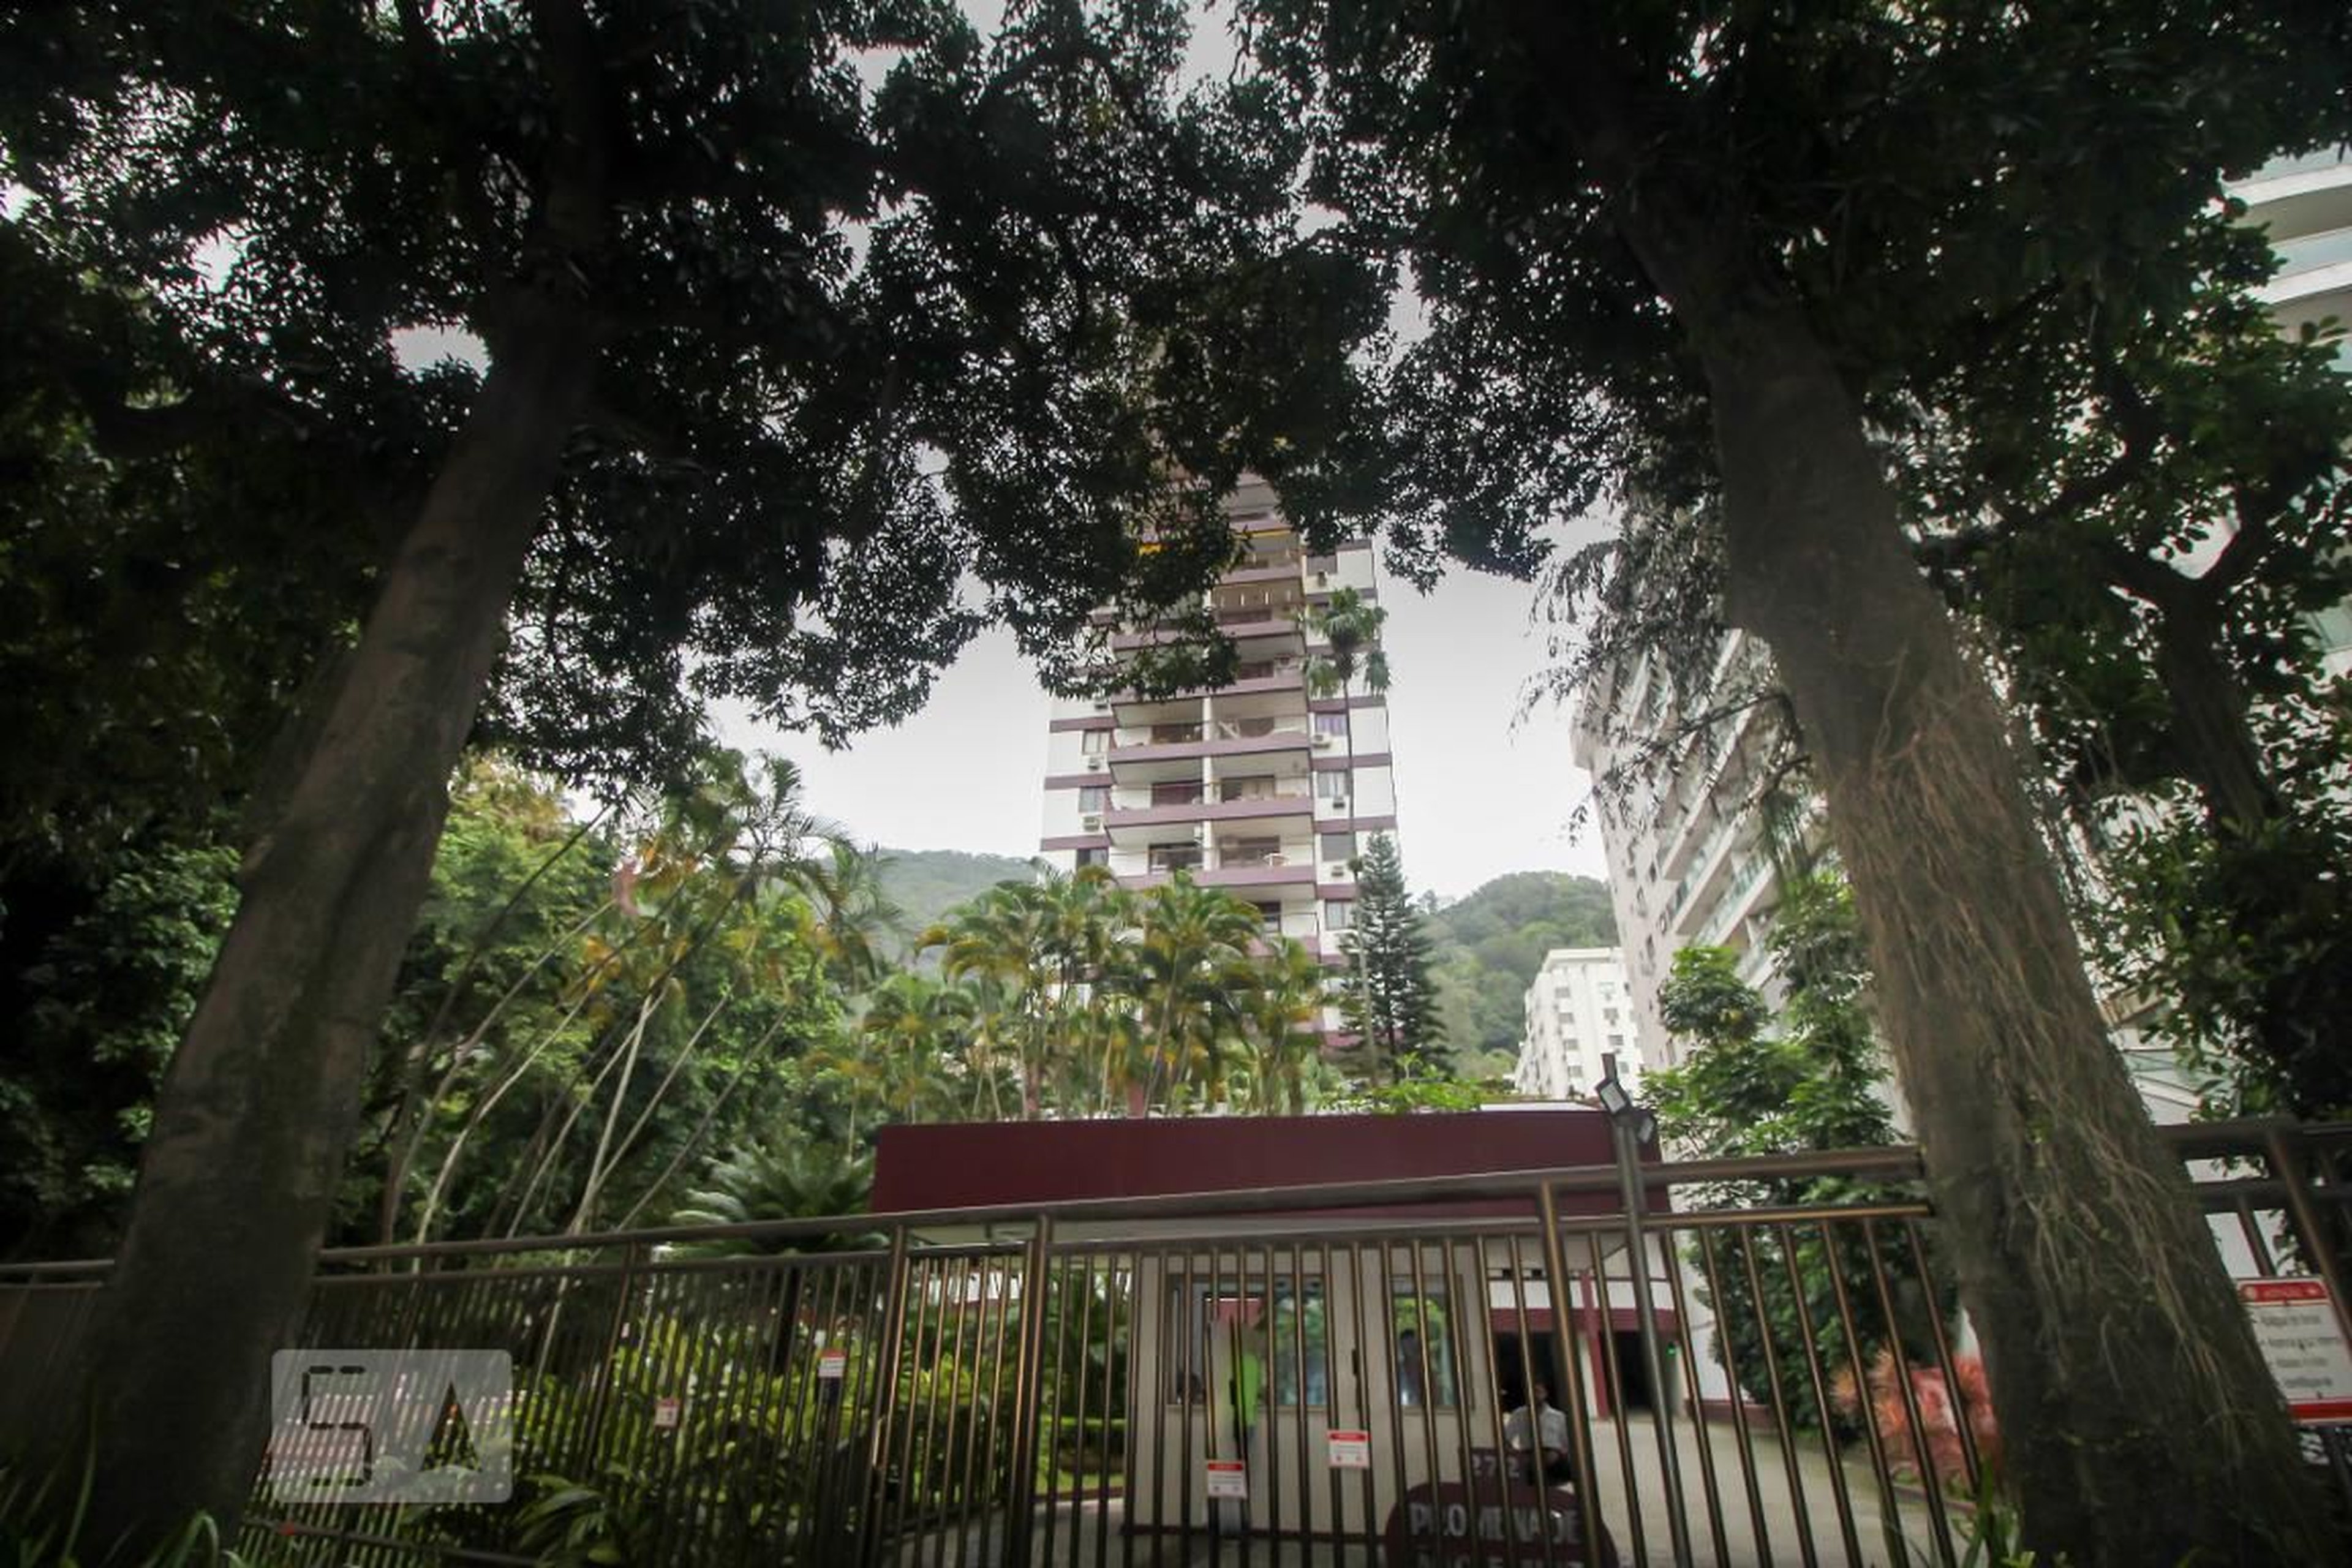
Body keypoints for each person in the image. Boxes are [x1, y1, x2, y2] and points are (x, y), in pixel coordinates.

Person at [1503, 1381, 1572, 1485]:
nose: (1535, 1395)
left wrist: (1557, 1455)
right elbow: (1506, 1438)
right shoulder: (1519, 1414)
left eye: (1538, 1392)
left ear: (1545, 1394)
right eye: (1532, 1392)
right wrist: (1519, 1457)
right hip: (1528, 1460)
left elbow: (1567, 1443)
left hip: (1554, 1460)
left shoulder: (1558, 1416)